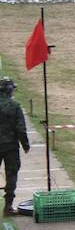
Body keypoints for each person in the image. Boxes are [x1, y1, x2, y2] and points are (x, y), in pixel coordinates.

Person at [0, 77, 29, 216]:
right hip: (10, 146)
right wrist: (25, 145)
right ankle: (8, 207)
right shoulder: (15, 106)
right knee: (11, 174)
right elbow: (21, 129)